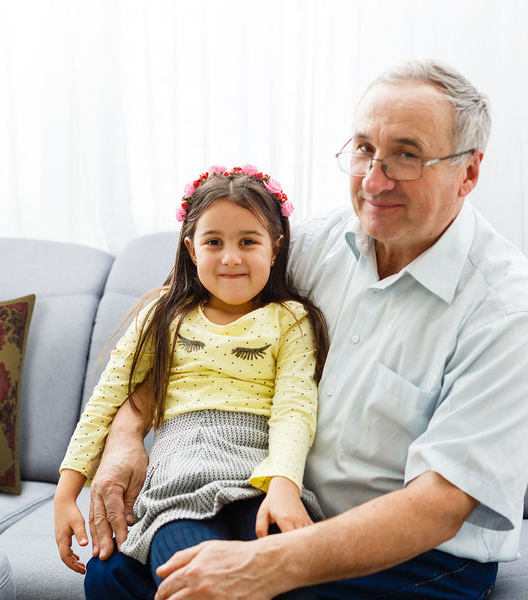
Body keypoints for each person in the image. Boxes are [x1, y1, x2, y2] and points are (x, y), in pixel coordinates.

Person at [81, 58, 528, 600]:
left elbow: (440, 505)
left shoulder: (513, 314)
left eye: (406, 156)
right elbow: (188, 333)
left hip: (419, 551)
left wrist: (265, 566)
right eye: (363, 149)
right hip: (275, 507)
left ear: (468, 172)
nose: (374, 180)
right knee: (112, 573)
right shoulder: (312, 244)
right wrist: (125, 436)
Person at [53, 165, 330, 597]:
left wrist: (284, 486)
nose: (231, 257)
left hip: (258, 481)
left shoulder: (291, 319)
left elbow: (294, 408)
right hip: (177, 485)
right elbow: (107, 398)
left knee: (283, 574)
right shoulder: (164, 313)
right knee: (189, 579)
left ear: (276, 249)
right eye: (213, 242)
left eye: (248, 241)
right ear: (191, 249)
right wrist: (66, 492)